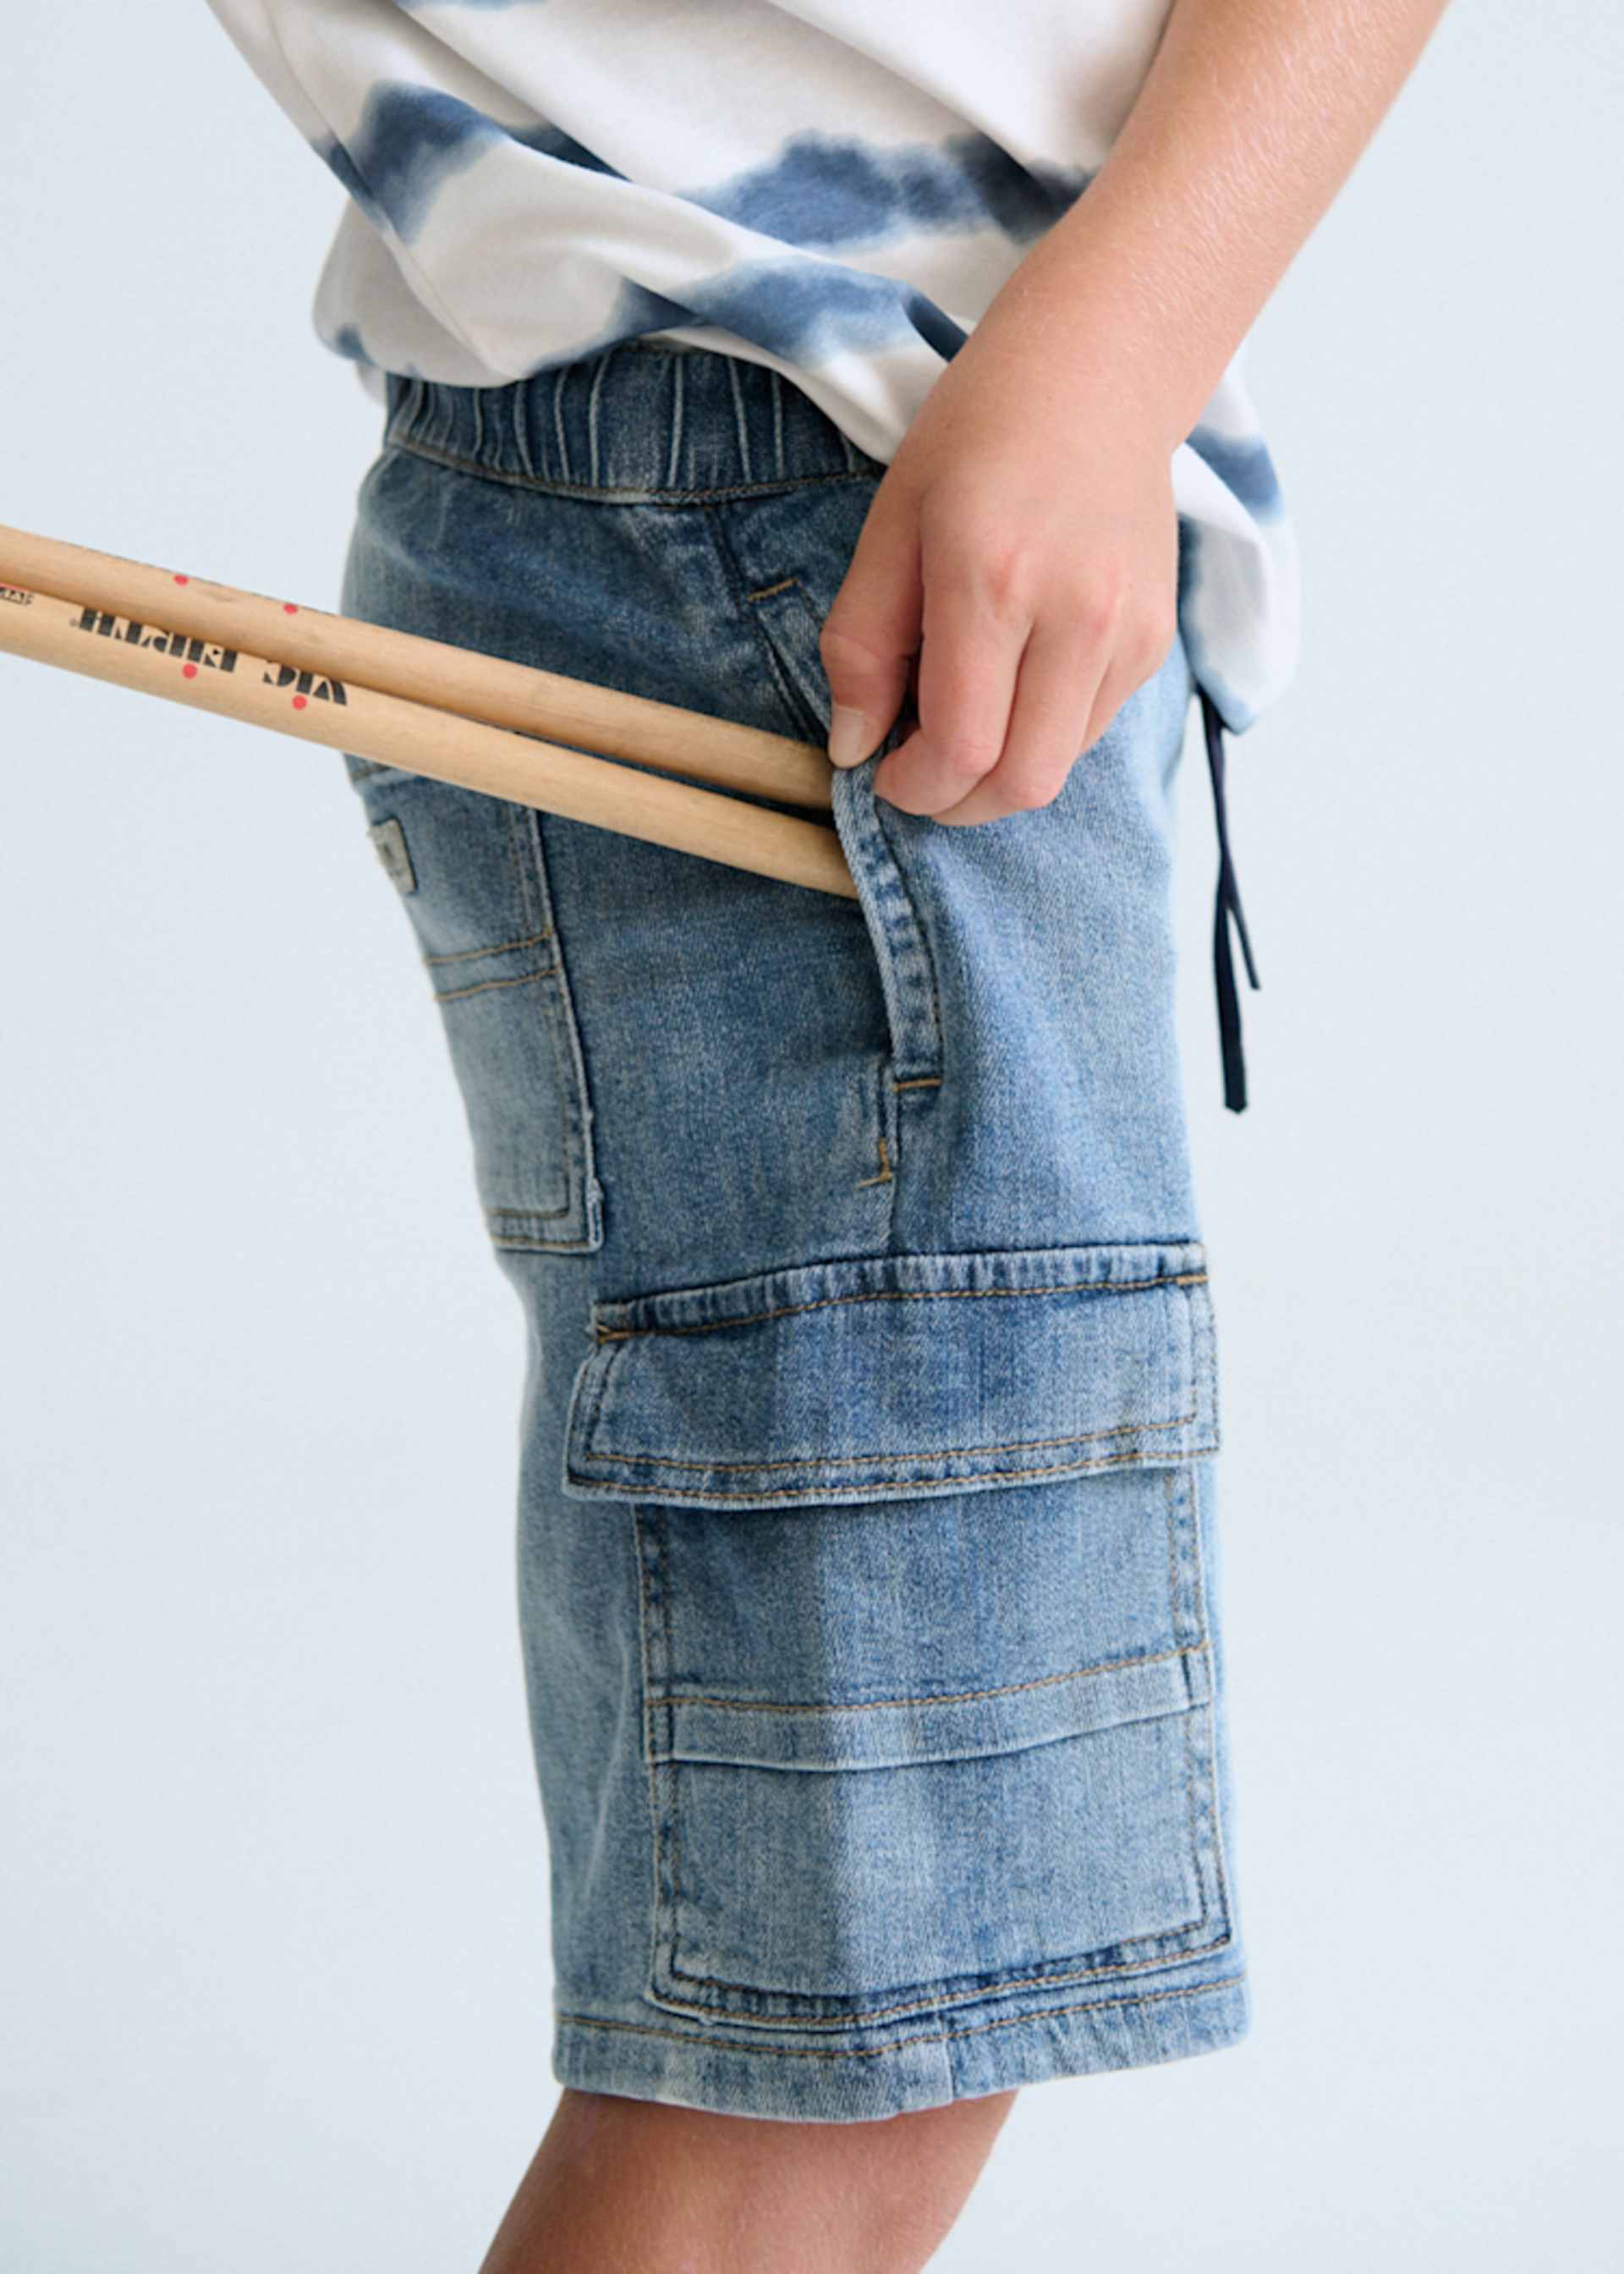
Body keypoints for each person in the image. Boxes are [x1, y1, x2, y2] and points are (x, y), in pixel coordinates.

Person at [202, 4, 1452, 2267]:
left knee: (844, 2061)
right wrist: (1099, 345)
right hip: (792, 504)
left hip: (895, 479)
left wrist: (1106, 345)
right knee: (812, 2104)